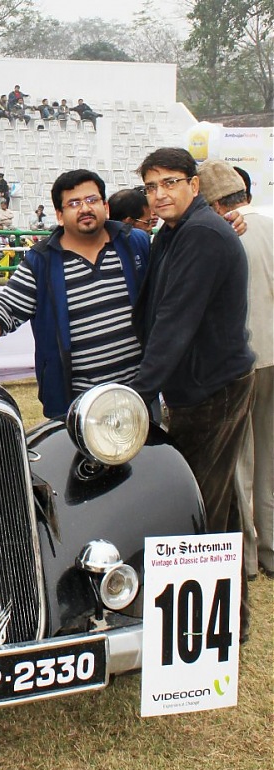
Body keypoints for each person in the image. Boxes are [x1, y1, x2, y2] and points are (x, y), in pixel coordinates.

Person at [0, 169, 150, 419]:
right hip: (79, 406)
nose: (85, 208)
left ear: (106, 206)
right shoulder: (42, 262)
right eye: (74, 203)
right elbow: (4, 309)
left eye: (92, 200)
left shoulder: (135, 243)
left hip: (138, 395)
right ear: (60, 215)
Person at [130, 146, 254, 532]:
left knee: (196, 501)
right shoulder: (173, 231)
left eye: (170, 183)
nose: (159, 194)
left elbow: (175, 321)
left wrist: (137, 393)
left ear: (195, 185)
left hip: (212, 387)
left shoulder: (200, 232)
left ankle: (216, 590)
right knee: (214, 493)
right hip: (200, 384)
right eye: (150, 187)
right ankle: (231, 591)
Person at [197, 159, 273, 582]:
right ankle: (271, 550)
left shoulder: (217, 236)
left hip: (239, 362)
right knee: (270, 458)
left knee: (239, 463)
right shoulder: (269, 226)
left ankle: (244, 561)